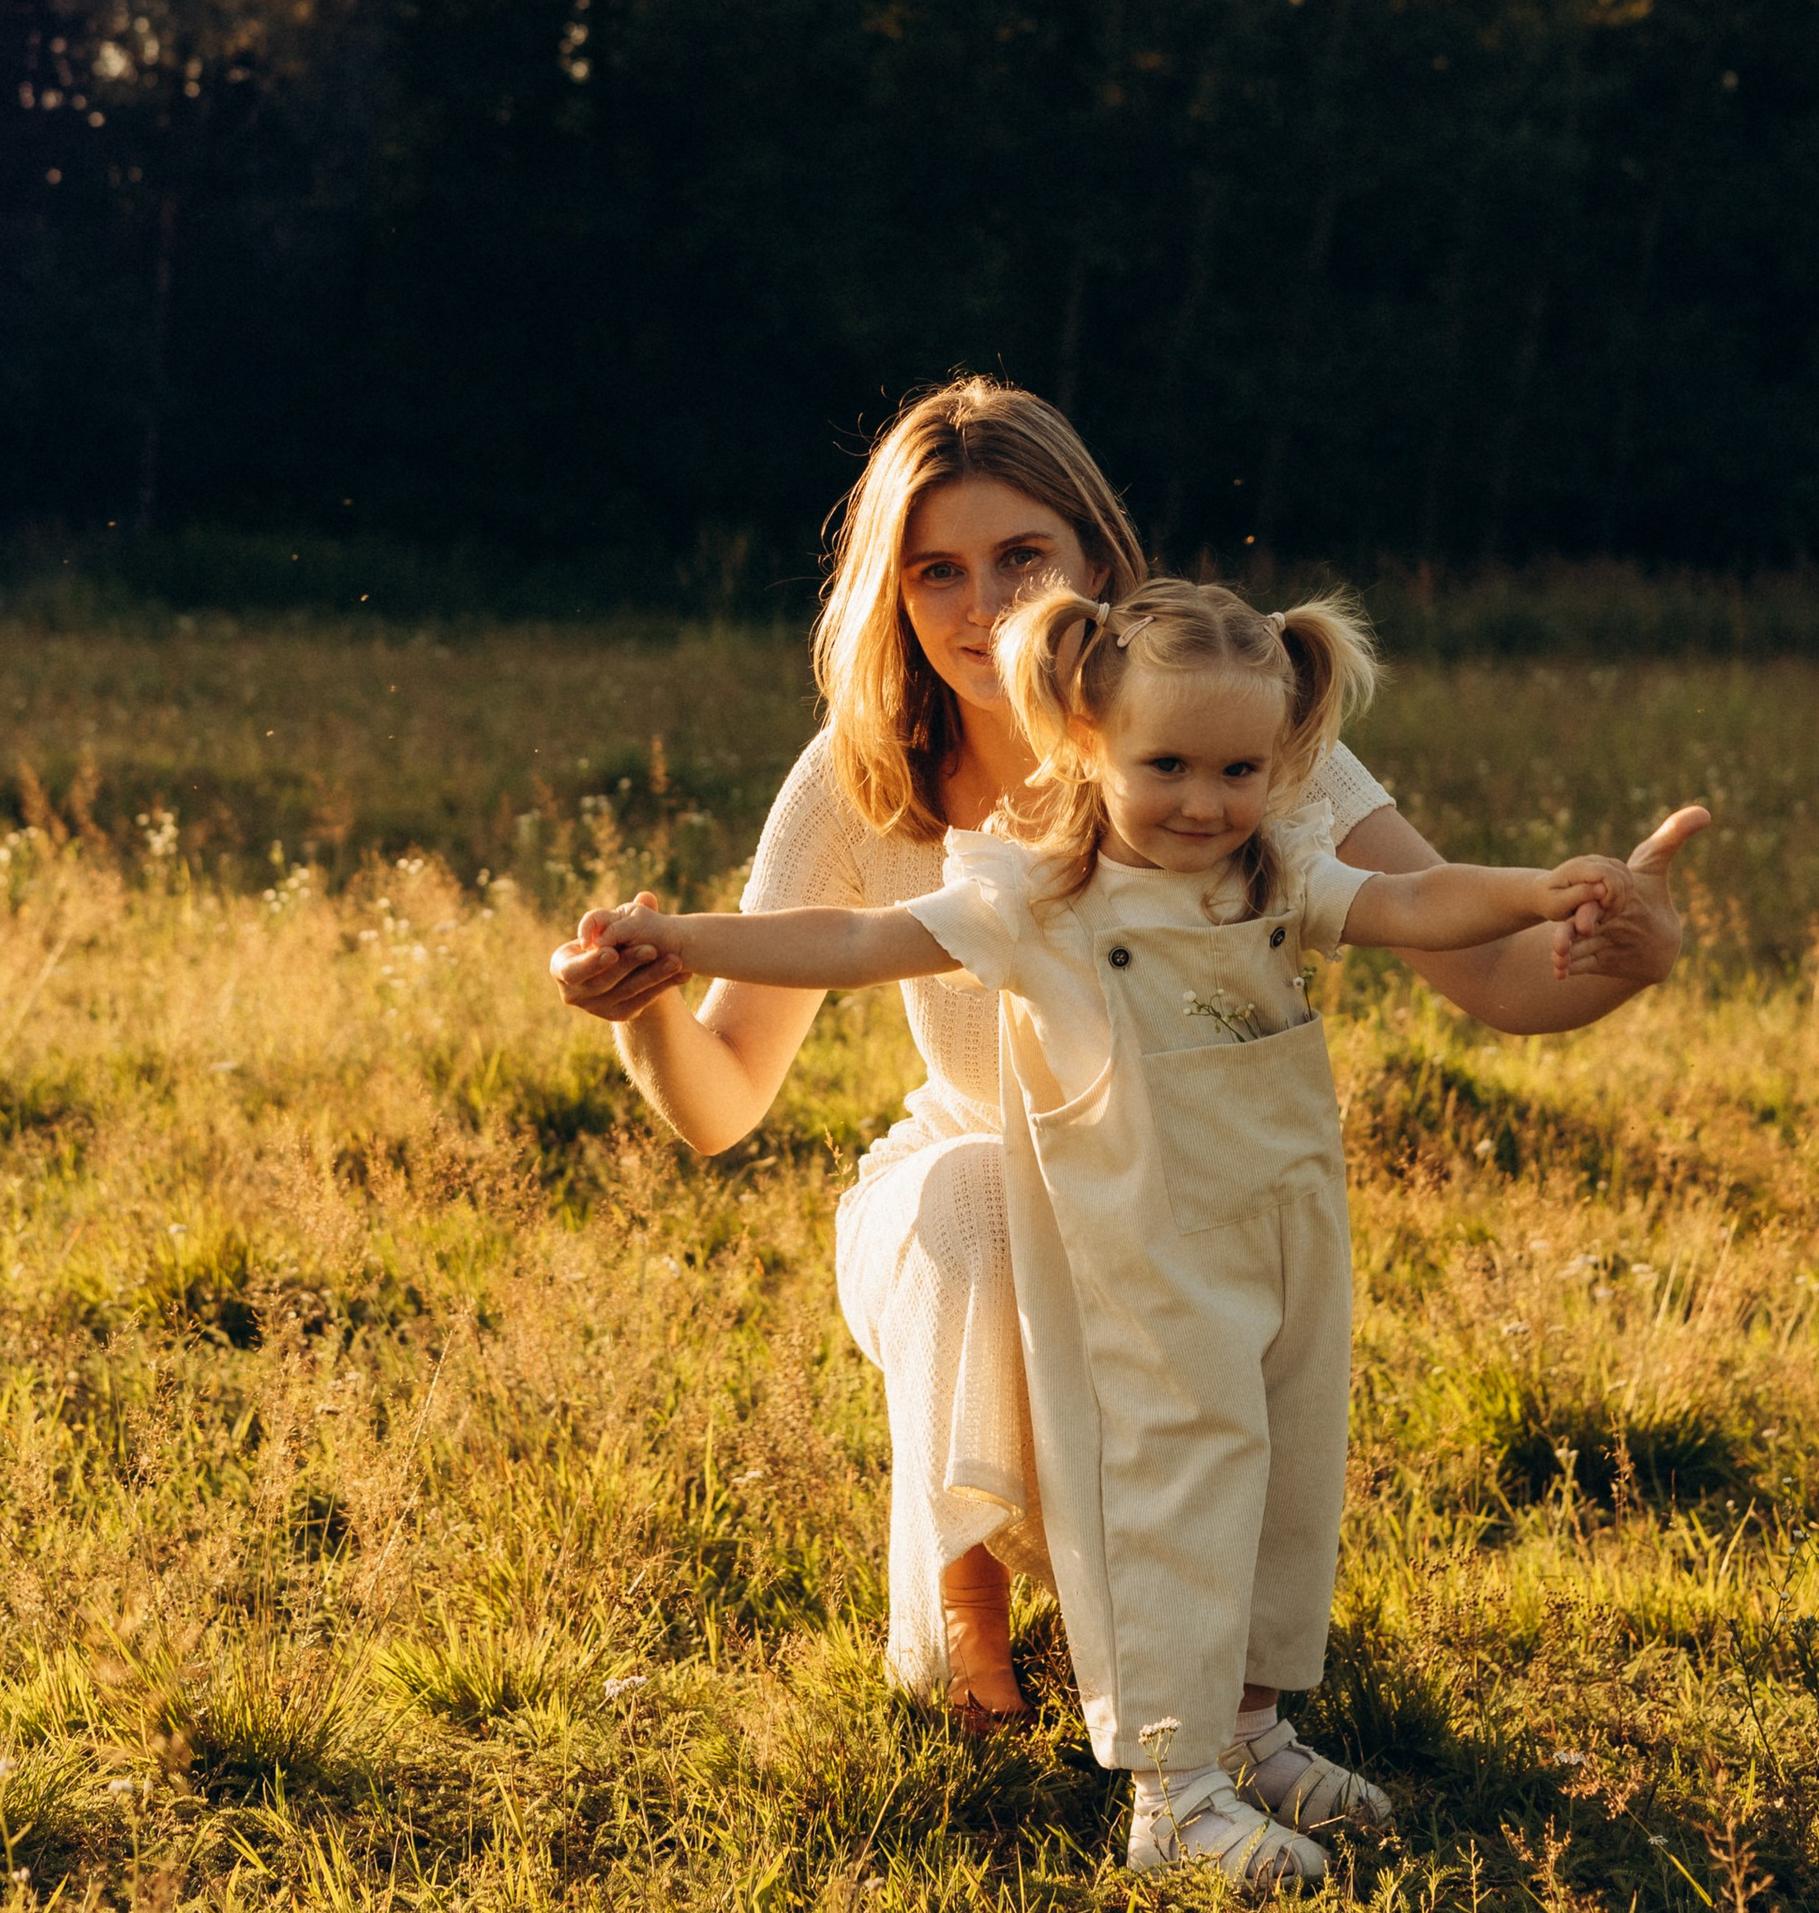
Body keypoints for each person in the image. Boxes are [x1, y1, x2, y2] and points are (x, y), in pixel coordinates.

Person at [551, 376, 1707, 1731]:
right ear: (893, 593)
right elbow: (723, 1103)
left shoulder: (1228, 738)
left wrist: (1623, 947)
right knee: (975, 1191)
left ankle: (1228, 1710)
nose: (981, 606)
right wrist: (643, 998)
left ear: (1095, 562)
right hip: (974, 1197)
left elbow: (1483, 966)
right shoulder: (864, 774)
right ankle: (971, 1639)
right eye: (937, 571)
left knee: (1245, 1384)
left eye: (1020, 557)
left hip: (1184, 1200)